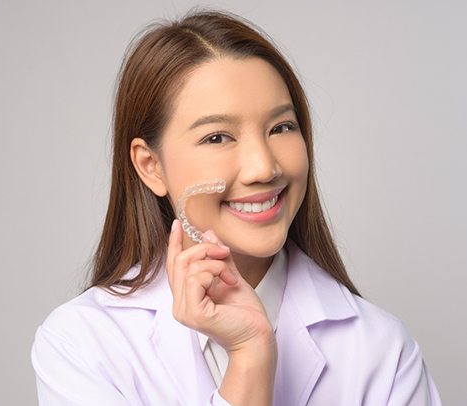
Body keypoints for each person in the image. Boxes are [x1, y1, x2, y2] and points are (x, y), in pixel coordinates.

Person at [31, 8, 442, 406]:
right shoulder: (82, 344)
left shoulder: (382, 351)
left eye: (281, 127)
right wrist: (250, 357)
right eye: (217, 137)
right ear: (150, 166)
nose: (264, 167)